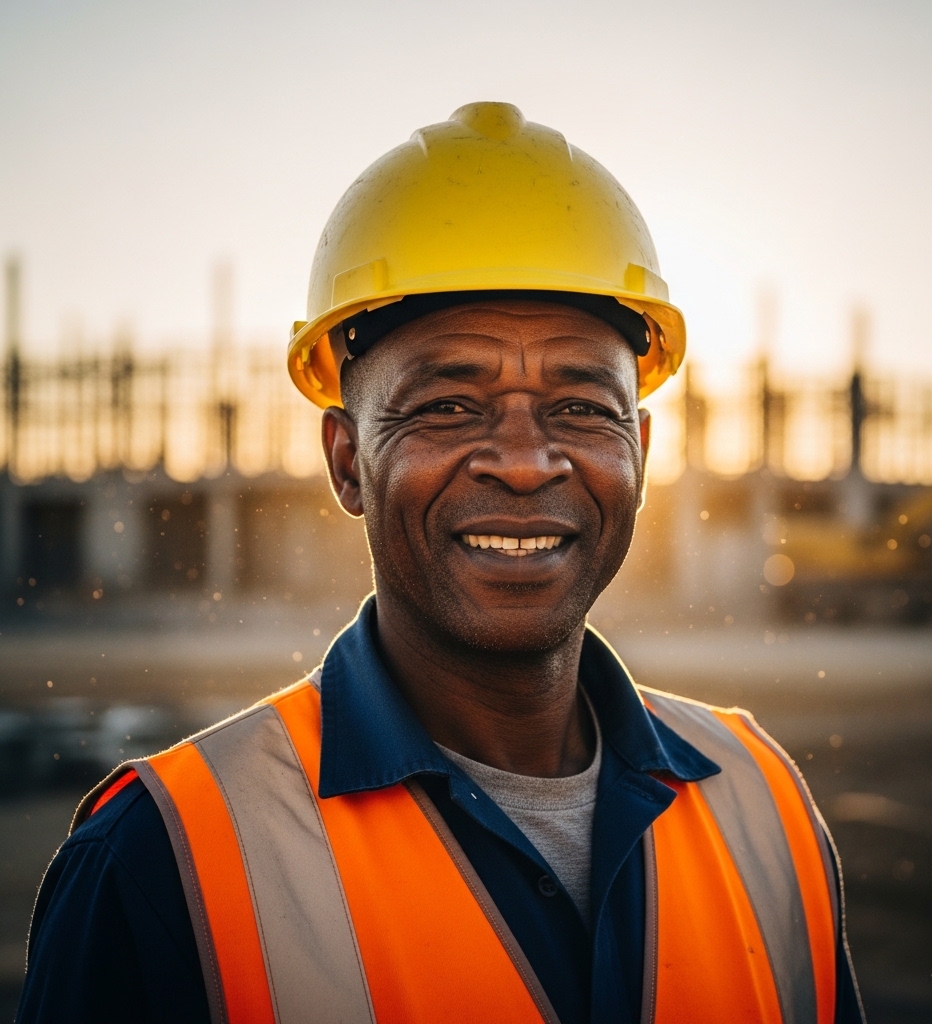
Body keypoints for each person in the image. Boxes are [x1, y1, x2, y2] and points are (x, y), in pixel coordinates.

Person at [18, 102, 863, 1024]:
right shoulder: (160, 866)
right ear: (347, 461)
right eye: (448, 408)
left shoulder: (766, 807)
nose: (525, 459)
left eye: (581, 408)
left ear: (643, 455)